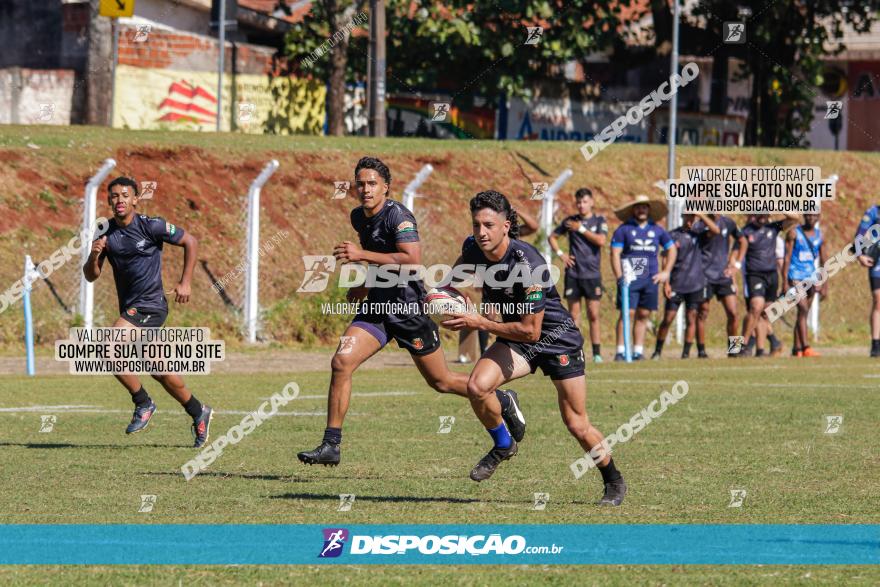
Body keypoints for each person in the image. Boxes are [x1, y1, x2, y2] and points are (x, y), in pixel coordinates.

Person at [297, 157, 525, 466]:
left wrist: (361, 254)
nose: (365, 189)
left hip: (409, 309)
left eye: (372, 184)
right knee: (341, 361)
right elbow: (384, 263)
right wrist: (365, 286)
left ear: (386, 187)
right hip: (378, 307)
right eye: (360, 184)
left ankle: (500, 399)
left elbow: (412, 259)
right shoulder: (358, 217)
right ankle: (331, 445)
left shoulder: (399, 217)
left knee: (441, 382)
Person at [441, 190, 626, 505]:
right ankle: (503, 444)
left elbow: (531, 330)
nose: (481, 232)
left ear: (506, 226)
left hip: (556, 339)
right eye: (476, 225)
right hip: (516, 336)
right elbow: (450, 282)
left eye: (488, 225)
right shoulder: (473, 248)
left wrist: (479, 322)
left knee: (576, 423)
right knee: (477, 386)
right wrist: (446, 296)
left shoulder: (529, 263)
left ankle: (613, 480)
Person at [82, 176, 214, 447]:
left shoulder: (151, 225)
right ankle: (199, 411)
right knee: (160, 370)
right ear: (109, 200)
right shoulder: (104, 231)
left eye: (124, 195)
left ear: (135, 199)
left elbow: (191, 241)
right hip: (131, 309)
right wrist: (94, 255)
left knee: (109, 347)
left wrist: (185, 281)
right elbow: (91, 276)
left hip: (151, 305)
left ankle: (143, 402)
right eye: (114, 196)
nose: (119, 200)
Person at [609, 195, 676, 361]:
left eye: (644, 207)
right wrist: (619, 276)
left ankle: (638, 351)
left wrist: (666, 272)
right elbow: (615, 253)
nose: (641, 210)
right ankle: (620, 351)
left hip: (650, 279)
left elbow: (672, 249)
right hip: (629, 278)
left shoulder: (658, 230)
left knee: (644, 314)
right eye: (638, 207)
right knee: (627, 313)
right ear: (633, 210)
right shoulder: (623, 229)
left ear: (649, 210)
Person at [548, 187, 608, 363]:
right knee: (573, 316)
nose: (581, 205)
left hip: (592, 274)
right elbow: (552, 237)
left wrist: (580, 229)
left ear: (592, 202)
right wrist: (561, 255)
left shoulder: (599, 221)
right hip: (573, 273)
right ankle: (577, 351)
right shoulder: (570, 221)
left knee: (593, 315)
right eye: (579, 202)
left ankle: (597, 353)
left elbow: (601, 241)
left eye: (585, 202)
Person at [653, 214, 719, 359]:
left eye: (693, 218)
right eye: (688, 217)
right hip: (681, 282)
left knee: (732, 314)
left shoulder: (705, 231)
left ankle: (734, 351)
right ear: (682, 216)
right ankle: (657, 351)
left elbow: (718, 231)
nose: (690, 221)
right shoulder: (674, 234)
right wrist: (667, 282)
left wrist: (700, 214)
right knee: (669, 318)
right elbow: (665, 257)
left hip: (705, 280)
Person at [733, 213, 799, 357]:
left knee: (762, 313)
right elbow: (734, 256)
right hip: (751, 277)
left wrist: (779, 207)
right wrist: (732, 277)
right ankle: (738, 347)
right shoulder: (745, 232)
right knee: (747, 311)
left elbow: (795, 218)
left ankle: (759, 350)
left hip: (770, 277)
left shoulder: (773, 228)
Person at [694, 214, 741, 358]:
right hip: (704, 274)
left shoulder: (728, 222)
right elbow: (715, 230)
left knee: (734, 312)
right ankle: (701, 351)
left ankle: (734, 350)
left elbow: (742, 240)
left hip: (723, 275)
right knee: (703, 312)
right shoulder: (700, 225)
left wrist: (735, 263)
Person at [783, 213, 826, 357]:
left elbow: (823, 261)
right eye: (808, 215)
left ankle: (797, 349)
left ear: (818, 217)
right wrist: (784, 282)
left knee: (803, 313)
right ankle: (806, 347)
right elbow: (786, 258)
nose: (811, 218)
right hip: (795, 276)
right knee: (803, 308)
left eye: (814, 216)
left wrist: (824, 283)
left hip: (811, 278)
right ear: (804, 216)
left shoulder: (820, 235)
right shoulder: (794, 233)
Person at [854, 204, 880, 357]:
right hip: (877, 261)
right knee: (878, 299)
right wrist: (859, 255)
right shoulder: (873, 212)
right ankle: (876, 344)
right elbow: (860, 235)